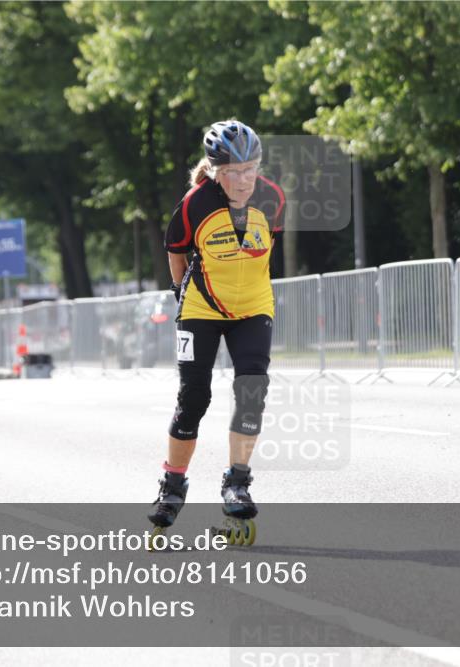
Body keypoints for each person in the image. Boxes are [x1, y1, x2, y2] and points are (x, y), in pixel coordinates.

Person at [147, 119, 285, 543]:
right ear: (213, 171)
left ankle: (237, 480)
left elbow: (265, 251)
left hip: (253, 308)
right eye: (232, 173)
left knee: (252, 391)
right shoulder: (194, 205)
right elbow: (175, 252)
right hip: (201, 308)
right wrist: (181, 295)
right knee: (194, 398)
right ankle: (172, 487)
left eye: (250, 170)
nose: (243, 181)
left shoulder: (273, 198)